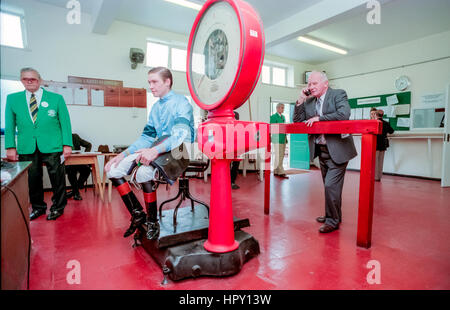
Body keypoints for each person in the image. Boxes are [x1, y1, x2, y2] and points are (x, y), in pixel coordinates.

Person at [105, 67, 194, 240]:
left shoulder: (182, 103)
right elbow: (147, 137)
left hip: (179, 150)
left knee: (144, 172)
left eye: (155, 82)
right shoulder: (155, 108)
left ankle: (152, 221)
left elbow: (180, 135)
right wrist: (123, 155)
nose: (151, 86)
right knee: (113, 170)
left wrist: (154, 150)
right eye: (149, 83)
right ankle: (138, 213)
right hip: (159, 147)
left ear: (167, 82)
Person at [5, 67, 73, 221]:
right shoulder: (12, 99)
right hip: (26, 146)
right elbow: (9, 125)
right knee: (33, 179)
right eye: (25, 78)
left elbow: (65, 123)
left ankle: (58, 207)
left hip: (52, 145)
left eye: (33, 78)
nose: (29, 81)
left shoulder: (56, 98)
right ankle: (38, 208)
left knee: (57, 178)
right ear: (21, 80)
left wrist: (67, 145)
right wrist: (10, 147)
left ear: (40, 80)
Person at [293, 71, 357, 233]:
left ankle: (332, 221)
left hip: (338, 149)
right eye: (309, 84)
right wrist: (301, 99)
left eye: (314, 83)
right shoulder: (309, 102)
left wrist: (319, 119)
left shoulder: (338, 94)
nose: (311, 87)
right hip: (321, 149)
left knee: (330, 186)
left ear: (325, 84)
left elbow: (344, 114)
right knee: (331, 187)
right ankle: (333, 215)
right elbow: (298, 121)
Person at [66, 133, 92, 200]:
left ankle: (74, 190)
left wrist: (85, 155)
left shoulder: (75, 137)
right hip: (66, 164)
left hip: (77, 162)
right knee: (71, 170)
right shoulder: (60, 138)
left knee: (87, 169)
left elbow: (88, 145)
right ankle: (76, 193)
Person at [270, 103, 289, 179]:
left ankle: (276, 171)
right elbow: (272, 127)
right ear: (277, 108)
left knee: (280, 155)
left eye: (283, 108)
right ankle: (281, 172)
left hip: (283, 138)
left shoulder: (283, 117)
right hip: (277, 138)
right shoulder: (273, 117)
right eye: (282, 108)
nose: (283, 109)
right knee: (279, 155)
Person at [375, 109, 394, 181]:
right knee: (381, 161)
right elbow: (391, 131)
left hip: (375, 144)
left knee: (375, 161)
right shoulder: (386, 123)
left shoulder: (375, 122)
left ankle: (375, 177)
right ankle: (379, 177)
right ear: (383, 115)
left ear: (376, 115)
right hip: (383, 144)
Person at [231, 111, 240, 189]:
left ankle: (232, 182)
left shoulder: (239, 127)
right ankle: (230, 182)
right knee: (227, 164)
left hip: (237, 148)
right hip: (228, 148)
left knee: (236, 163)